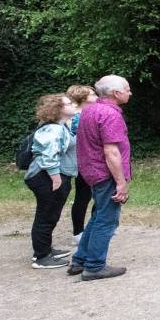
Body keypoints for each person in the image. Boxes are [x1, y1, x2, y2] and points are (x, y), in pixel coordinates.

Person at [71, 75, 132, 280]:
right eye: (127, 89)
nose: (129, 93)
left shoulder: (90, 110)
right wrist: (121, 182)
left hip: (91, 171)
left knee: (98, 216)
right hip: (105, 174)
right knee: (107, 220)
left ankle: (80, 260)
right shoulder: (109, 114)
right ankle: (95, 266)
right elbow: (111, 152)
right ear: (116, 93)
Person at [23, 94, 79, 269]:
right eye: (69, 103)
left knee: (50, 215)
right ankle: (41, 257)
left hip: (51, 176)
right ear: (59, 109)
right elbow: (48, 155)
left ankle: (45, 249)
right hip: (46, 177)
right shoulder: (54, 130)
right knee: (46, 216)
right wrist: (55, 178)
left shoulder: (61, 126)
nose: (73, 105)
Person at [65, 84, 98, 246]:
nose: (96, 97)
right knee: (86, 197)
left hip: (81, 162)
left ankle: (81, 232)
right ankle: (80, 233)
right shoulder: (80, 116)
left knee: (83, 197)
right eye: (92, 95)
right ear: (83, 98)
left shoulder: (76, 115)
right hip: (85, 162)